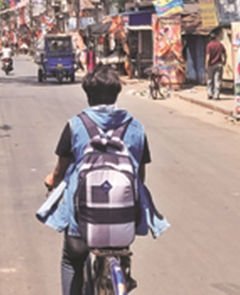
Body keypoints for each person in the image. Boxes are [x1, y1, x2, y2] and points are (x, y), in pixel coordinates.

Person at [40, 66, 169, 295]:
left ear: (88, 95)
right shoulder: (136, 128)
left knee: (72, 260)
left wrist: (51, 180)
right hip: (123, 217)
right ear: (116, 94)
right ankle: (121, 274)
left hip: (82, 219)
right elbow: (140, 176)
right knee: (121, 246)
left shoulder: (75, 125)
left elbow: (60, 171)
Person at [205, 30, 227, 100]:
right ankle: (216, 95)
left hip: (211, 65)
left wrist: (206, 65)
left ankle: (210, 94)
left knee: (210, 80)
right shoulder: (220, 45)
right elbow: (225, 54)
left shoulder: (209, 45)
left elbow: (208, 57)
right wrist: (224, 61)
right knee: (217, 80)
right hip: (219, 65)